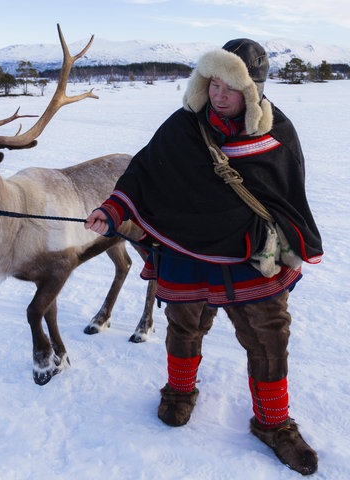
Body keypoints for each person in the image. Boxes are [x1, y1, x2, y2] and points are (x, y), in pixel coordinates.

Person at [85, 38, 323, 476]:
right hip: (186, 250)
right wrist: (112, 209)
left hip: (250, 255)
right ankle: (179, 392)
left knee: (269, 336)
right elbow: (142, 172)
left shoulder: (276, 132)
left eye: (230, 86)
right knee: (184, 324)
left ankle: (273, 424)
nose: (218, 94)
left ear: (253, 91)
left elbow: (287, 195)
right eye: (213, 83)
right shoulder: (182, 126)